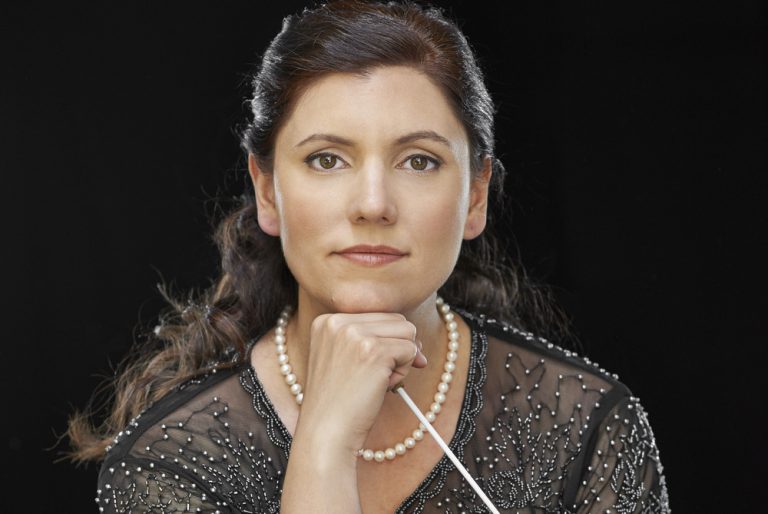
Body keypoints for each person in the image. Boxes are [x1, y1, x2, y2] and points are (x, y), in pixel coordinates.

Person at [67, 1, 670, 512]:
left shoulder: (586, 426)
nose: (373, 204)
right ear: (267, 191)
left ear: (475, 196)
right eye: (327, 159)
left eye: (419, 161)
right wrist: (325, 443)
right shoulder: (169, 464)